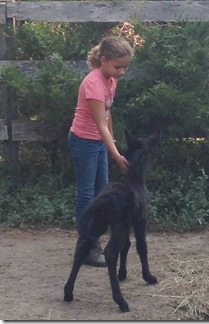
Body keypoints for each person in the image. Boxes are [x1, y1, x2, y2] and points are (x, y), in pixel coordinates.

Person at [68, 35, 133, 267]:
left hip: (99, 141)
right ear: (103, 60)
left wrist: (111, 143)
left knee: (102, 192)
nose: (122, 71)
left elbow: (108, 114)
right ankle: (86, 246)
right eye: (118, 66)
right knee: (87, 194)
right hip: (84, 141)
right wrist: (115, 153)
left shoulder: (111, 79)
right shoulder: (93, 83)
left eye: (126, 67)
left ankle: (93, 240)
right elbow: (100, 123)